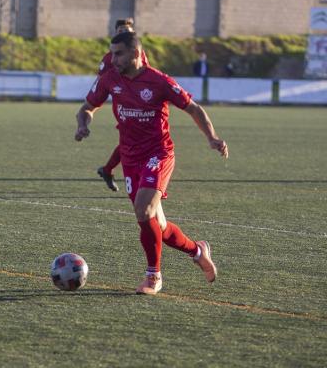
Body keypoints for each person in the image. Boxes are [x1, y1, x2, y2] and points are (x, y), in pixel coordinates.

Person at [75, 31, 228, 295]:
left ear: (135, 54)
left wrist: (212, 138)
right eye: (112, 53)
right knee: (160, 227)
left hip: (159, 154)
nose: (113, 58)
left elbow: (194, 108)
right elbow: (87, 107)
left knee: (144, 211)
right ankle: (198, 250)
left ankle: (153, 276)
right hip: (131, 158)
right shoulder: (110, 78)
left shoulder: (158, 81)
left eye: (119, 53)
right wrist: (83, 125)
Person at [96, 18, 149, 192]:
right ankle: (138, 176)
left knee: (132, 140)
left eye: (128, 31)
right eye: (121, 31)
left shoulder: (139, 54)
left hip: (140, 102)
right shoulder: (109, 58)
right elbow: (100, 85)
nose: (125, 34)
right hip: (123, 101)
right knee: (131, 139)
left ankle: (108, 169)